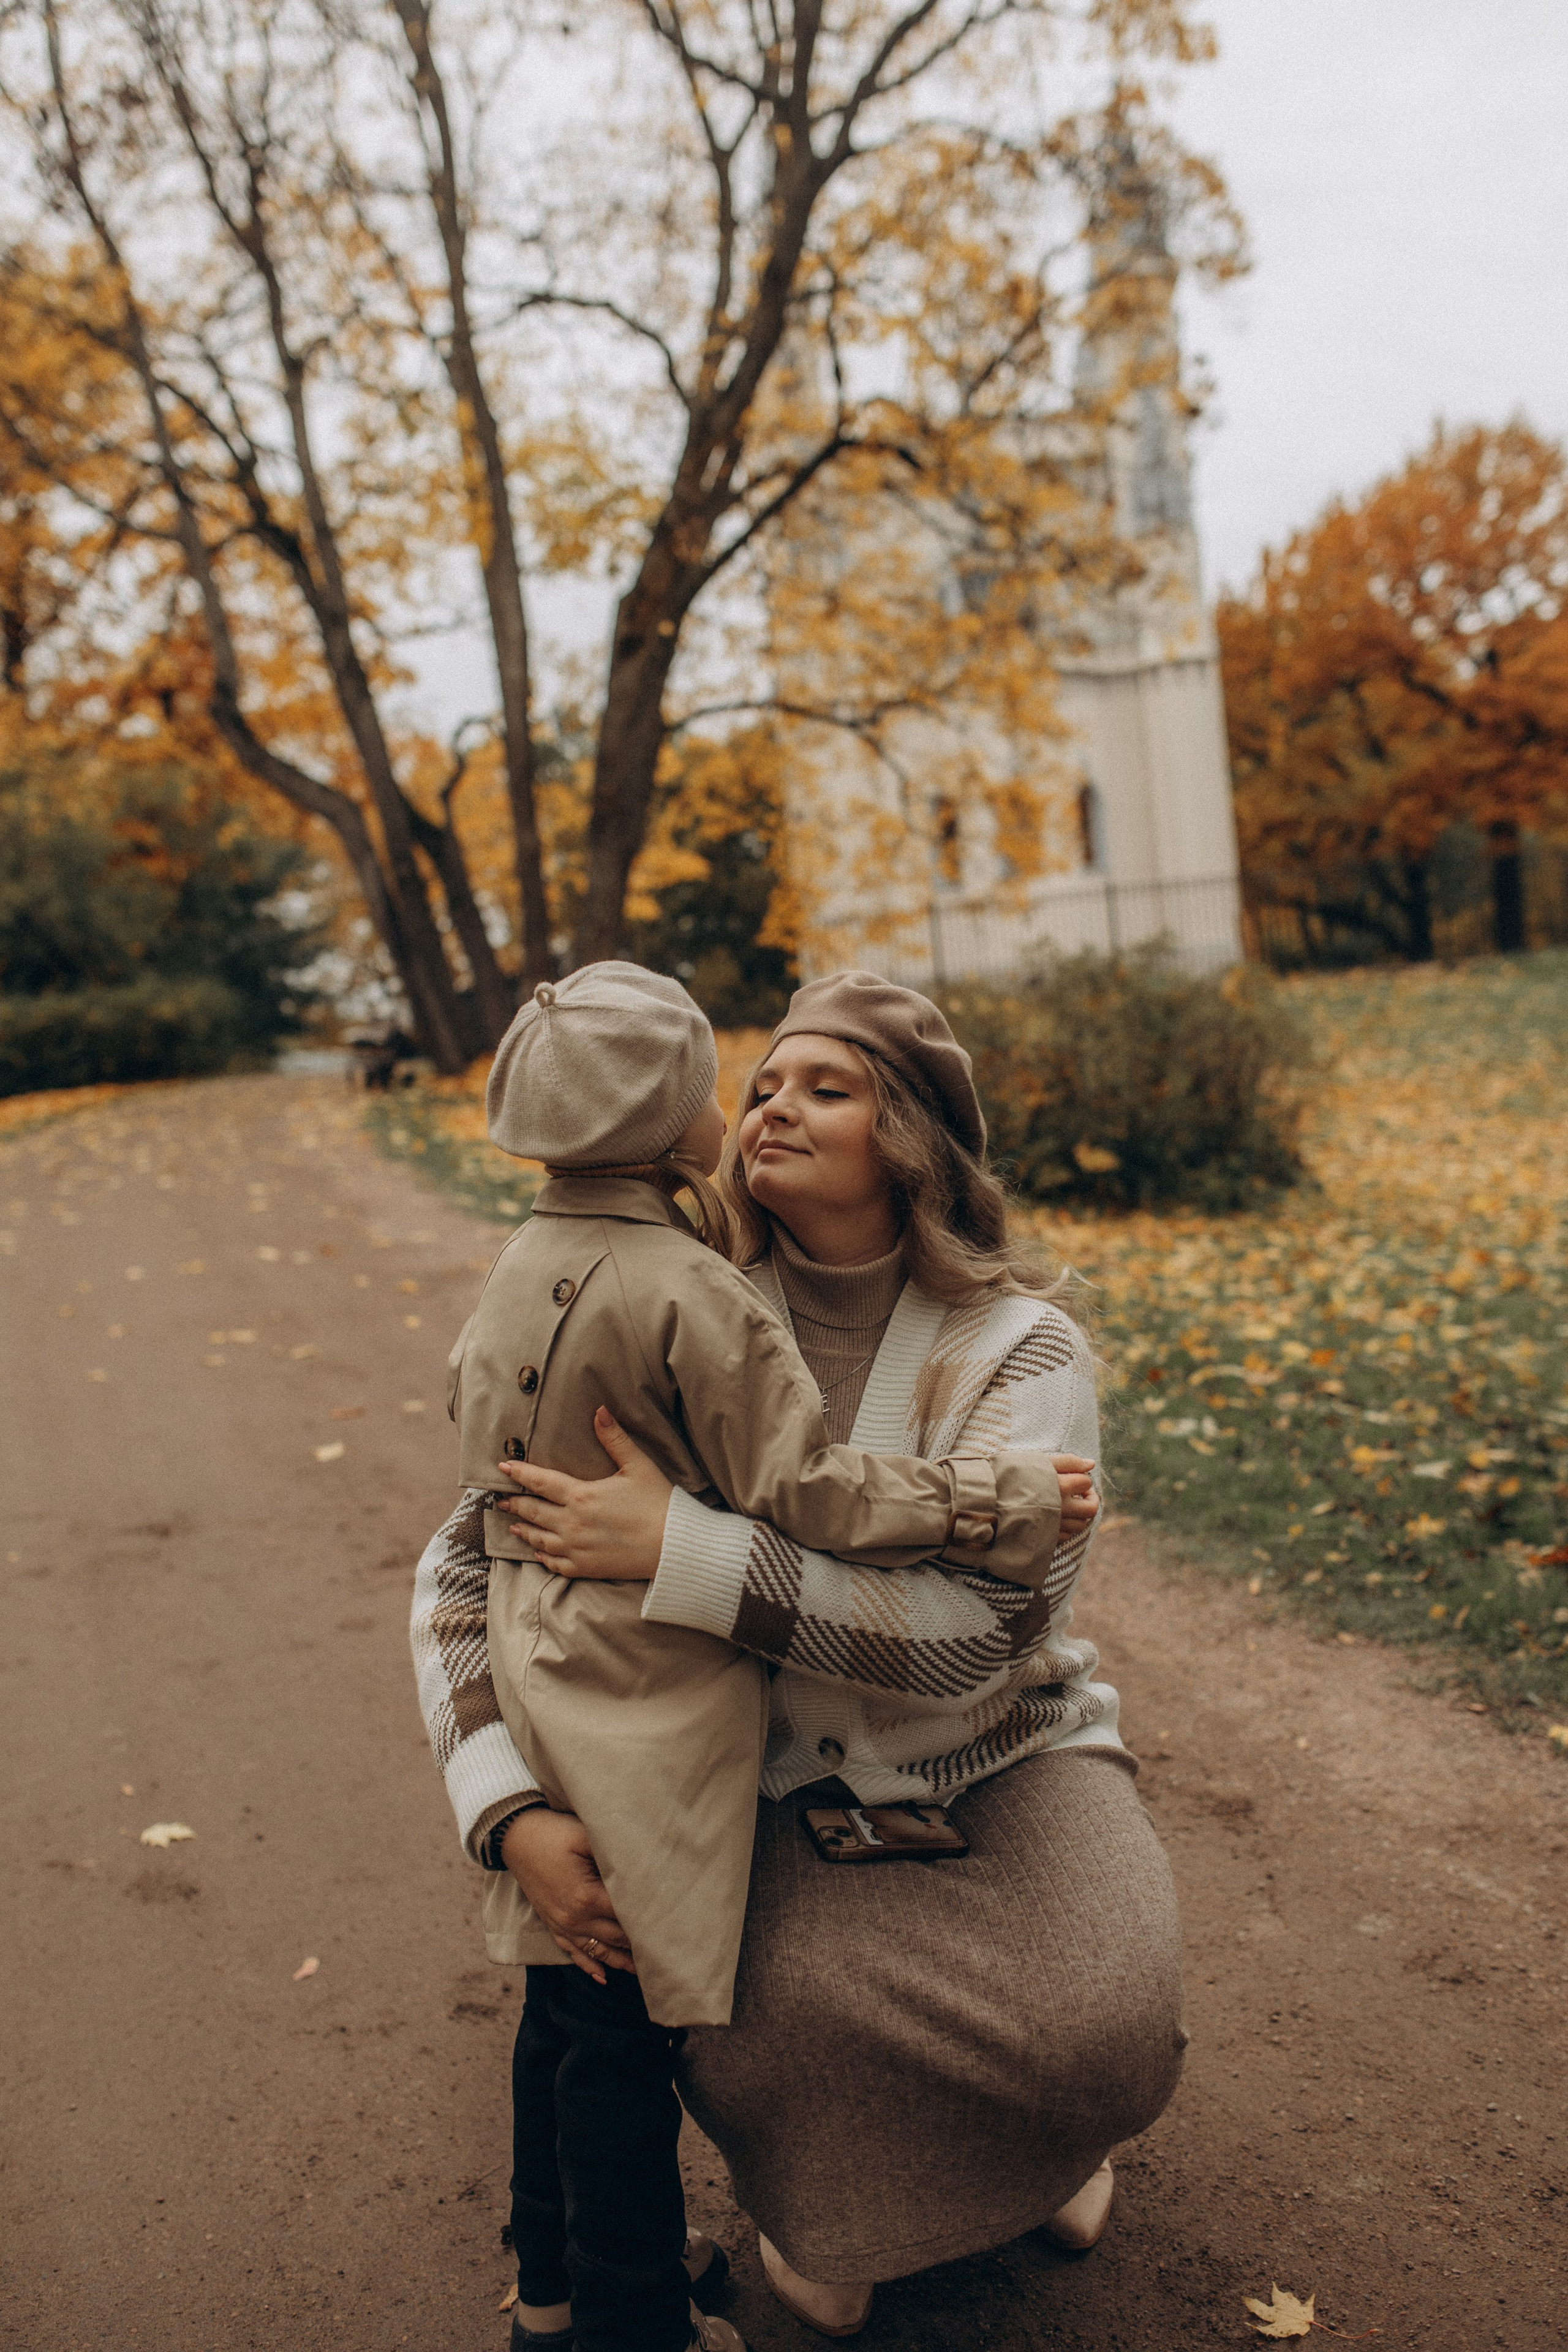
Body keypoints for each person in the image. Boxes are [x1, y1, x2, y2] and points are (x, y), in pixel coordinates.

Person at [489, 971, 1188, 2340]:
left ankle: (1045, 2151)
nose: (773, 1107)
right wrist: (501, 1808)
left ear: (910, 1139)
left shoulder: (1018, 1347)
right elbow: (473, 1568)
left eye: (827, 1086)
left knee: (1103, 2024)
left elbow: (982, 1635)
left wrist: (684, 1553)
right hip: (758, 1774)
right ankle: (830, 2206)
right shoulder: (662, 1302)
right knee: (764, 2029)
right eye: (759, 1085)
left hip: (996, 1749)